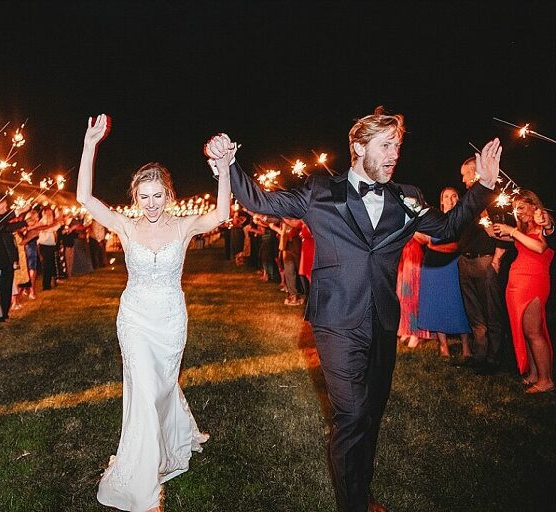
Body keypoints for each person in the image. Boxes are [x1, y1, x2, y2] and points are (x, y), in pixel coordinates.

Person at [205, 108, 501, 512]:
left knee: (371, 416)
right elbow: (258, 198)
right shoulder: (319, 192)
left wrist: (482, 186)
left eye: (398, 145)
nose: (395, 153)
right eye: (386, 145)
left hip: (382, 321)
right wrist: (228, 163)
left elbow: (449, 229)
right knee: (352, 414)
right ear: (359, 147)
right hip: (336, 322)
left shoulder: (407, 198)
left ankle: (360, 491)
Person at [78, 115, 226, 512]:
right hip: (135, 319)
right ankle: (145, 490)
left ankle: (181, 432)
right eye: (144, 197)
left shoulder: (182, 227)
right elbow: (85, 200)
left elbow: (221, 215)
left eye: (157, 195)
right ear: (135, 197)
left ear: (168, 195)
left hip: (171, 319)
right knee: (143, 393)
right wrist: (91, 145)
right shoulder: (125, 227)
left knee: (160, 387)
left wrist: (224, 170)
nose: (151, 203)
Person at [492, 190, 554, 393]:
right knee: (525, 331)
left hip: (533, 283)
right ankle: (534, 374)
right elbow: (517, 239)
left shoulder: (543, 222)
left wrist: (513, 231)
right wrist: (498, 228)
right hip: (517, 283)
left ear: (534, 206)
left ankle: (546, 379)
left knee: (534, 331)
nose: (518, 212)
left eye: (521, 207)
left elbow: (539, 248)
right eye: (515, 208)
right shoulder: (524, 230)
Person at [457, 157, 509, 374]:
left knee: (491, 310)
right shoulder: (469, 199)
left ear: (474, 171)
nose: (462, 179)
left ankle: (494, 359)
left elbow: (505, 229)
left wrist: (497, 258)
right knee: (474, 311)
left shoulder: (492, 196)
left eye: (465, 174)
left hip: (485, 259)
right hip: (465, 259)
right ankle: (479, 355)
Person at [417, 187, 472, 359]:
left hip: (453, 265)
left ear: (459, 199)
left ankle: (466, 348)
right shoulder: (434, 218)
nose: (450, 199)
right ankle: (443, 346)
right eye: (446, 197)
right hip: (432, 268)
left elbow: (458, 246)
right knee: (436, 304)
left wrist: (433, 245)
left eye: (454, 196)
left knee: (459, 304)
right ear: (441, 201)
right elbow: (420, 236)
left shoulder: (462, 219)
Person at [396, 232, 431, 348]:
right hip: (403, 259)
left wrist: (411, 230)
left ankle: (416, 332)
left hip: (414, 260)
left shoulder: (419, 220)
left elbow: (425, 240)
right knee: (403, 298)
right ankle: (406, 329)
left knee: (414, 299)